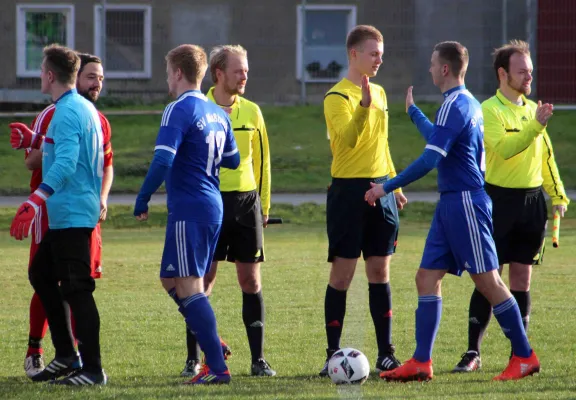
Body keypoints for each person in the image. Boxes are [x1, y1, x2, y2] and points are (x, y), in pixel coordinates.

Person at [365, 41, 540, 382]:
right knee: (426, 277)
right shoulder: (462, 104)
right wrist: (415, 113)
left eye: (432, 64)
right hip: (451, 204)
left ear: (444, 69)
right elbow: (440, 140)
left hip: (465, 203)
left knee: (488, 280)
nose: (430, 69)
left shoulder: (456, 104)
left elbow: (431, 158)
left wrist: (384, 186)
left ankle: (523, 355)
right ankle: (421, 361)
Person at [452, 40, 568, 372]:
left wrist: (557, 195)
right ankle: (472, 352)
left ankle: (519, 353)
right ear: (503, 74)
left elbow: (545, 158)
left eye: (530, 71)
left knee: (522, 278)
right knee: (489, 277)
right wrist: (536, 126)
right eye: (522, 71)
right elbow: (504, 149)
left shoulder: (535, 110)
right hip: (497, 201)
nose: (529, 77)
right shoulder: (489, 109)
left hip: (532, 204)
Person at [133, 44, 240, 385]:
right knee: (170, 280)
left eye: (168, 73)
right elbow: (233, 160)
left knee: (190, 286)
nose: (168, 79)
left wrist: (143, 196)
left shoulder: (177, 109)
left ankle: (218, 368)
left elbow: (163, 159)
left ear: (178, 73)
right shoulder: (218, 112)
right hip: (211, 205)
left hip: (191, 208)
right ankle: (212, 342)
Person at [9, 44, 107, 385]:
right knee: (41, 274)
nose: (39, 75)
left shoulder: (66, 111)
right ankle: (66, 354)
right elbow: (65, 148)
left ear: (50, 75)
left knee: (78, 289)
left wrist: (35, 200)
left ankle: (93, 370)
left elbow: (66, 163)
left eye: (40, 71)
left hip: (73, 212)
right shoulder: (78, 107)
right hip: (70, 212)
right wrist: (34, 138)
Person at [180, 44, 275, 378]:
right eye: (238, 70)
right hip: (209, 202)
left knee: (250, 280)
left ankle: (258, 359)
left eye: (246, 70)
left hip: (246, 204)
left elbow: (262, 162)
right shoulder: (196, 108)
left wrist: (263, 205)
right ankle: (194, 359)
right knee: (202, 281)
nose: (244, 75)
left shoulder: (252, 112)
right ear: (218, 73)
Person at [320, 24, 407, 376]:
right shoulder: (336, 98)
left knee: (379, 271)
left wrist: (396, 184)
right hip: (348, 193)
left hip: (382, 188)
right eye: (373, 53)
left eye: (381, 54)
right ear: (353, 54)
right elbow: (349, 141)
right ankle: (331, 355)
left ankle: (387, 352)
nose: (379, 60)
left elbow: (381, 145)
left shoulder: (382, 93)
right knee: (342, 275)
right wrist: (363, 107)